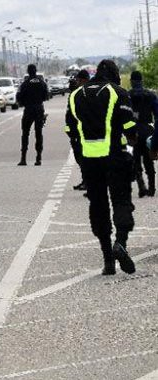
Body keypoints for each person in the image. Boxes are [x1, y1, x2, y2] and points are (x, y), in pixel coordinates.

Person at [66, 59, 137, 275]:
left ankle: (108, 259)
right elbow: (130, 127)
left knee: (98, 206)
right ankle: (121, 242)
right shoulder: (118, 92)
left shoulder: (76, 95)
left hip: (89, 160)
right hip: (115, 156)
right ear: (114, 74)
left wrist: (82, 150)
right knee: (122, 201)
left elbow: (70, 129)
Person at [128, 70, 158, 197]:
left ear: (131, 81)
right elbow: (157, 115)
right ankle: (152, 188)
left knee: (136, 159)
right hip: (147, 129)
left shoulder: (127, 96)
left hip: (133, 130)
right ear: (142, 81)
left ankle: (141, 186)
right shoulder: (150, 95)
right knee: (148, 159)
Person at [17, 64, 49, 166]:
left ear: (28, 71)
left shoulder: (25, 84)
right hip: (39, 109)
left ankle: (23, 158)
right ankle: (38, 158)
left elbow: (19, 97)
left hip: (29, 110)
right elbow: (46, 97)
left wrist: (25, 102)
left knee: (25, 133)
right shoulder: (42, 83)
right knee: (38, 133)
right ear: (35, 71)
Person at [65, 69, 90, 191]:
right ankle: (86, 180)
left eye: (79, 80)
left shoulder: (86, 93)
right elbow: (69, 114)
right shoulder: (76, 93)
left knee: (83, 156)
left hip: (82, 130)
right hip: (77, 129)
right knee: (80, 156)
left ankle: (88, 181)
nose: (77, 82)